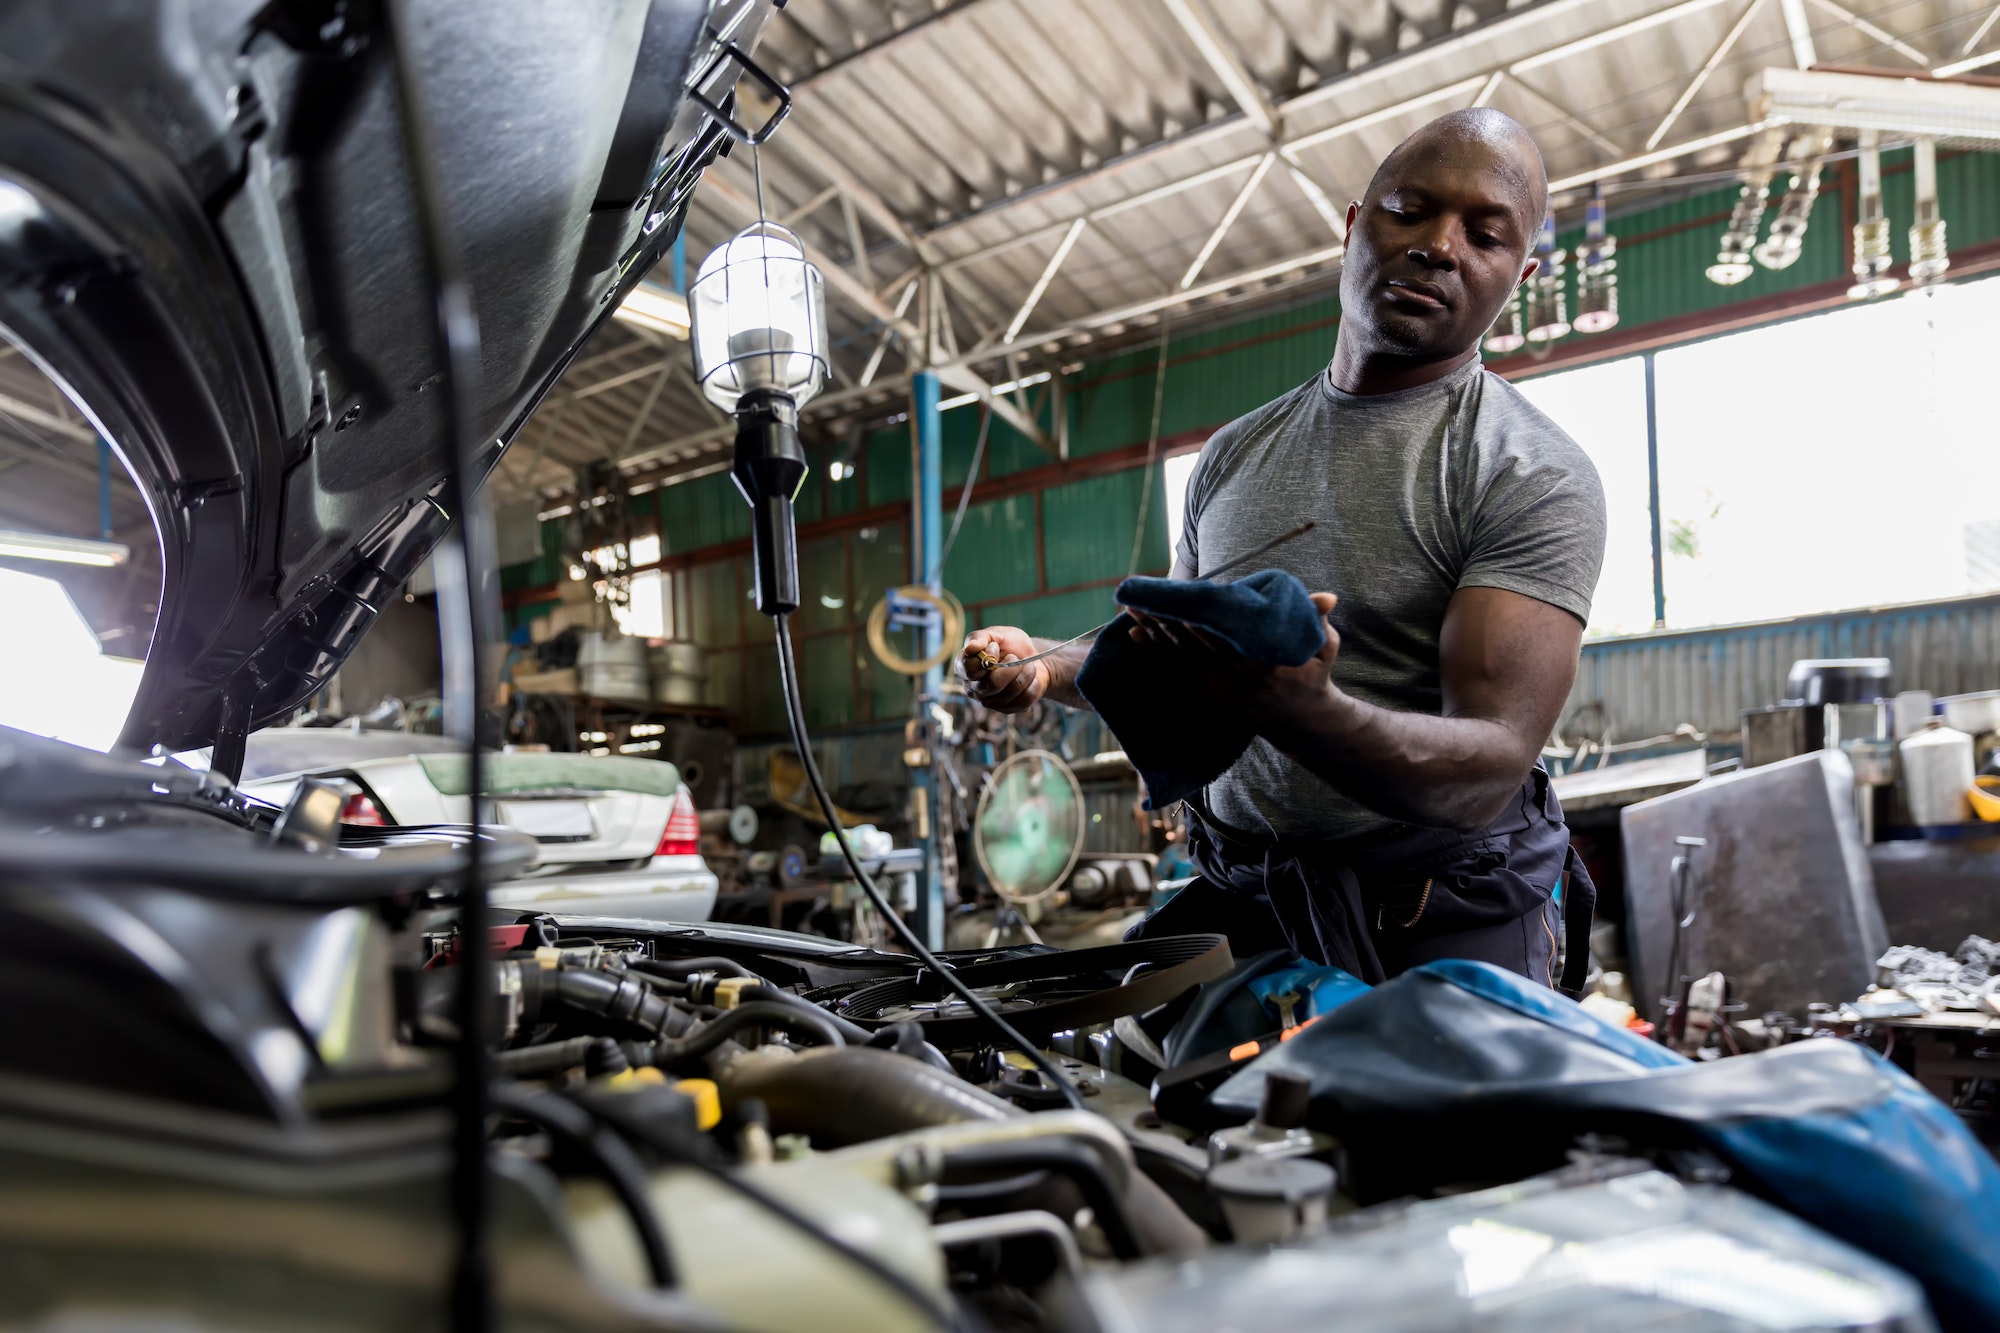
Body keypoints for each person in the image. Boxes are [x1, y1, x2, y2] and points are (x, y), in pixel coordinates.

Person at [958, 109, 1606, 993]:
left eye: (1485, 235)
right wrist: (1045, 664)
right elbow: (1173, 652)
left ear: (1518, 275)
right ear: (1353, 225)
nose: (1438, 247)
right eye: (1409, 210)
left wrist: (1309, 711)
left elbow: (1485, 769)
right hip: (1247, 895)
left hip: (1434, 913)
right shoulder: (1232, 454)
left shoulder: (1528, 470)